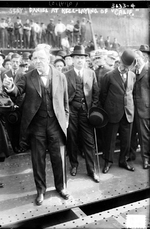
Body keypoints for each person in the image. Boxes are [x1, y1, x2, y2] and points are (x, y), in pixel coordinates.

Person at [3, 44, 70, 205]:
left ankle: (61, 187)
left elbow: (65, 101)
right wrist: (10, 87)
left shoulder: (60, 76)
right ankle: (41, 190)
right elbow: (17, 91)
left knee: (58, 158)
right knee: (37, 159)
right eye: (35, 59)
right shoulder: (28, 77)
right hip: (37, 125)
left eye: (41, 58)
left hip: (55, 124)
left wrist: (66, 119)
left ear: (49, 59)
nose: (38, 61)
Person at [65, 45, 100, 183]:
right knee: (72, 140)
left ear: (85, 60)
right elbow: (62, 94)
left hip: (86, 111)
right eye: (77, 58)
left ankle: (91, 170)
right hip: (72, 111)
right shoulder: (66, 75)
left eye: (82, 58)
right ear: (72, 59)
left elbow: (96, 93)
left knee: (89, 141)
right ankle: (74, 165)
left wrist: (93, 109)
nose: (80, 60)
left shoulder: (91, 73)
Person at [101, 49, 136, 173]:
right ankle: (108, 162)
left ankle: (123, 161)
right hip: (113, 113)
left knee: (126, 140)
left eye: (128, 67)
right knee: (110, 139)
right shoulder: (109, 76)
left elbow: (131, 92)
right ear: (119, 62)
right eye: (124, 66)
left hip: (128, 113)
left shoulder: (132, 76)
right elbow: (103, 95)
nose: (125, 68)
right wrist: (109, 109)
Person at [132, 47, 150, 169]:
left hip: (146, 108)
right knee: (143, 136)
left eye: (137, 59)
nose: (136, 62)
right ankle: (146, 159)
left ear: (143, 58)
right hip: (138, 110)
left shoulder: (148, 70)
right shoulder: (135, 72)